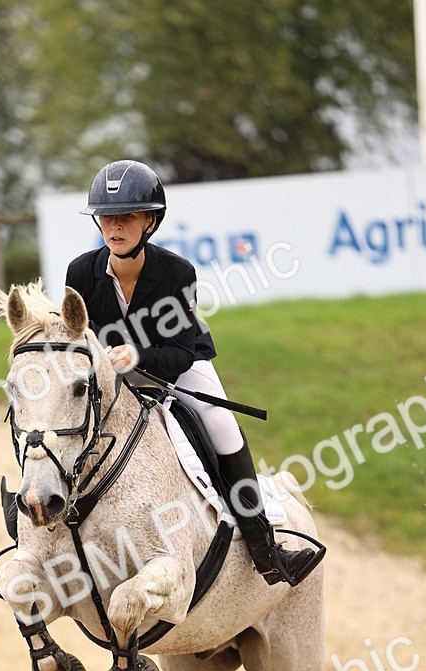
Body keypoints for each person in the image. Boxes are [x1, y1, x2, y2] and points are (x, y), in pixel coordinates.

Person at [65, 159, 322, 587]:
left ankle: (264, 548)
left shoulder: (177, 273)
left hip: (176, 366)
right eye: (107, 216)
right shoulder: (80, 272)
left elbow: (181, 353)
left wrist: (136, 356)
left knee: (221, 423)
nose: (115, 226)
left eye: (127, 215)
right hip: (113, 377)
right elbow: (78, 342)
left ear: (150, 221)